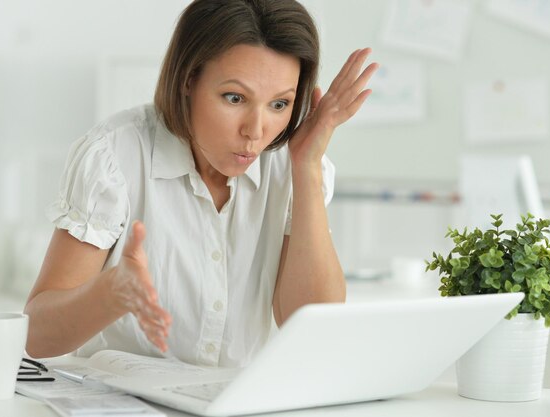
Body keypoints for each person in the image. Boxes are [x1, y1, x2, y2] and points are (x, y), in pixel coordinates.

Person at [24, 0, 378, 367]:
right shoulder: (116, 155)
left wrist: (306, 167)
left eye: (279, 104)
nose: (255, 132)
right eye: (235, 98)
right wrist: (110, 293)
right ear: (188, 79)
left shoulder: (290, 164)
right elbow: (36, 336)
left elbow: (312, 331)